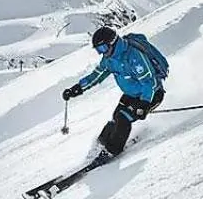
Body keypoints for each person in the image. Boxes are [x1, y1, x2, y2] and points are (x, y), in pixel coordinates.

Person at [62, 27, 167, 161]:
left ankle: (112, 150)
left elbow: (149, 81)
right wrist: (77, 88)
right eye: (99, 50)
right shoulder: (109, 59)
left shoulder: (133, 56)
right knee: (116, 117)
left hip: (151, 94)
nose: (102, 53)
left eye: (103, 48)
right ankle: (100, 145)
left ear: (112, 42)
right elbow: (96, 75)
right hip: (131, 94)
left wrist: (145, 103)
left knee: (124, 118)